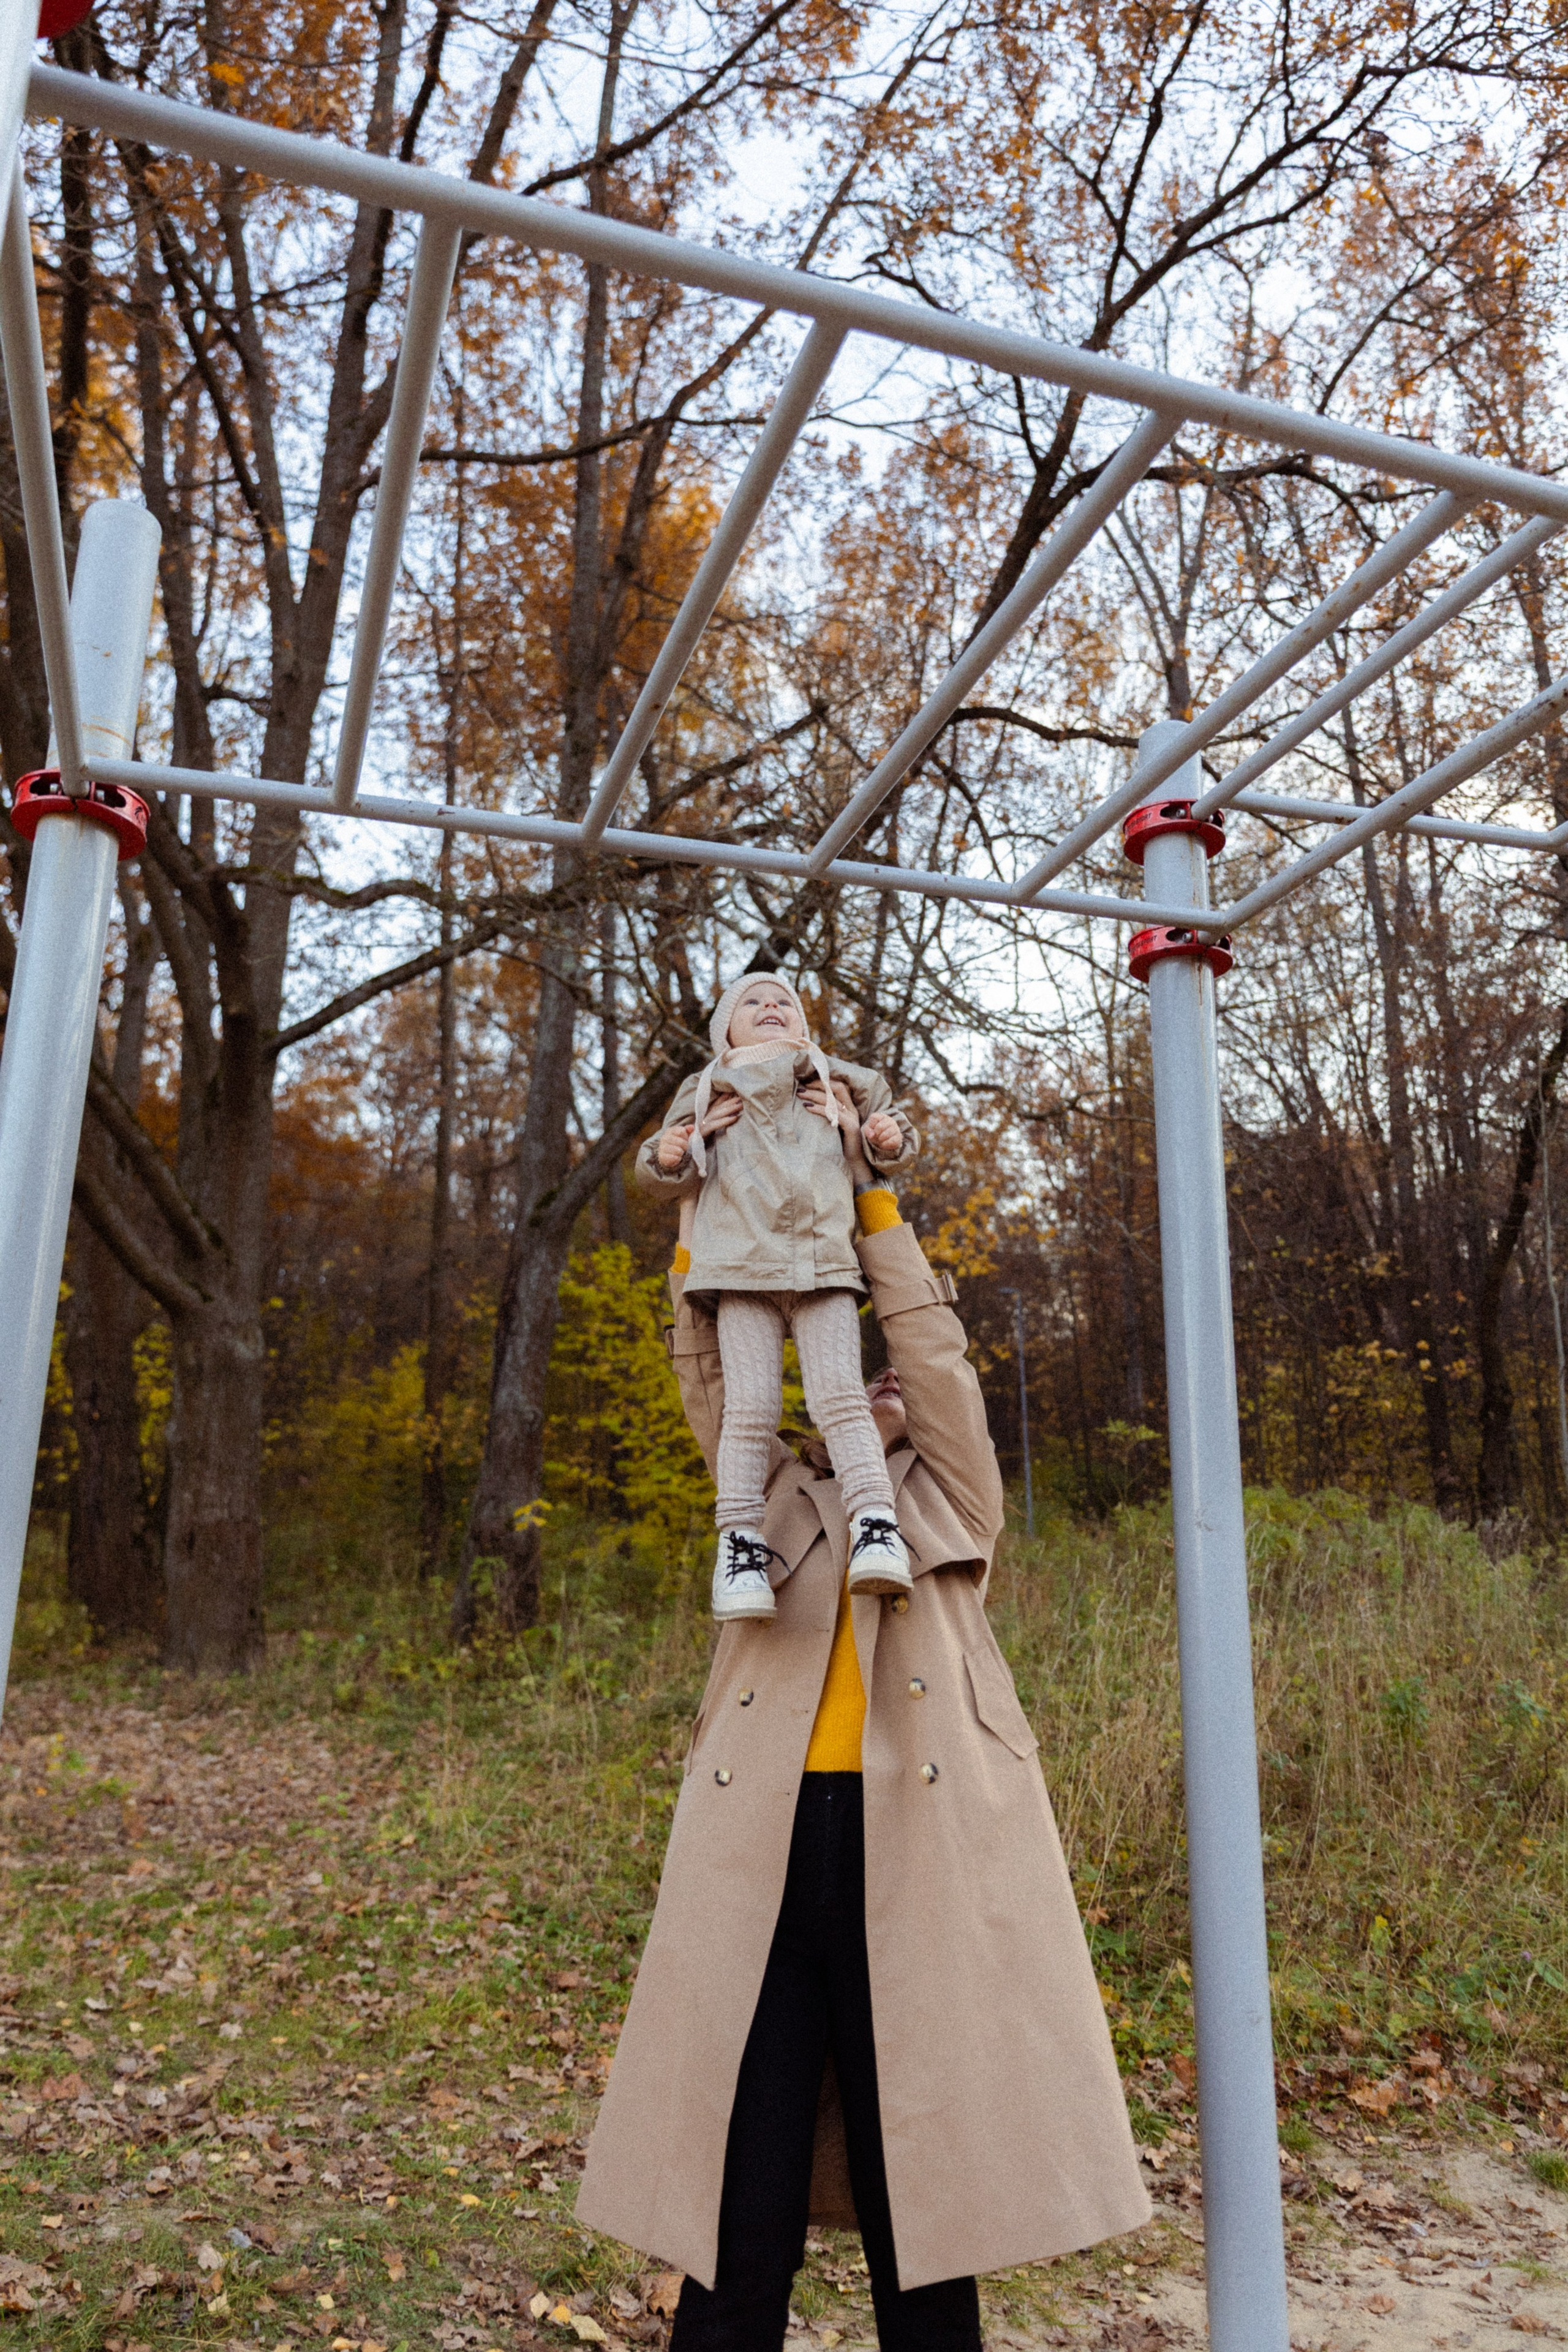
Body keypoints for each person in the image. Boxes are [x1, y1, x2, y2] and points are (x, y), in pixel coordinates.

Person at [578, 1093, 1150, 2351]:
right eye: (861, 1380)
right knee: (745, 2190)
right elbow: (704, 1364)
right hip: (766, 1870)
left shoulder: (947, 1502)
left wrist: (865, 1194)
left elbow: (930, 1355)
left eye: (888, 1378)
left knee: (921, 2199)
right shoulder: (767, 1498)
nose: (884, 1381)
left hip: (917, 1864)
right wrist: (707, 1187)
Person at [637, 973, 919, 1623]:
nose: (770, 1007)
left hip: (822, 1262)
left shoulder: (836, 1075)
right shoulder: (707, 1085)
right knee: (750, 1410)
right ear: (723, 1031)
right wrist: (678, 1146)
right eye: (752, 1003)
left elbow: (891, 1127)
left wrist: (885, 1138)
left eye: (784, 1001)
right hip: (739, 1270)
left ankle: (875, 1524)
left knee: (840, 1398)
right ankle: (740, 1544)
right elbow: (661, 1164)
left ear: (802, 1023)